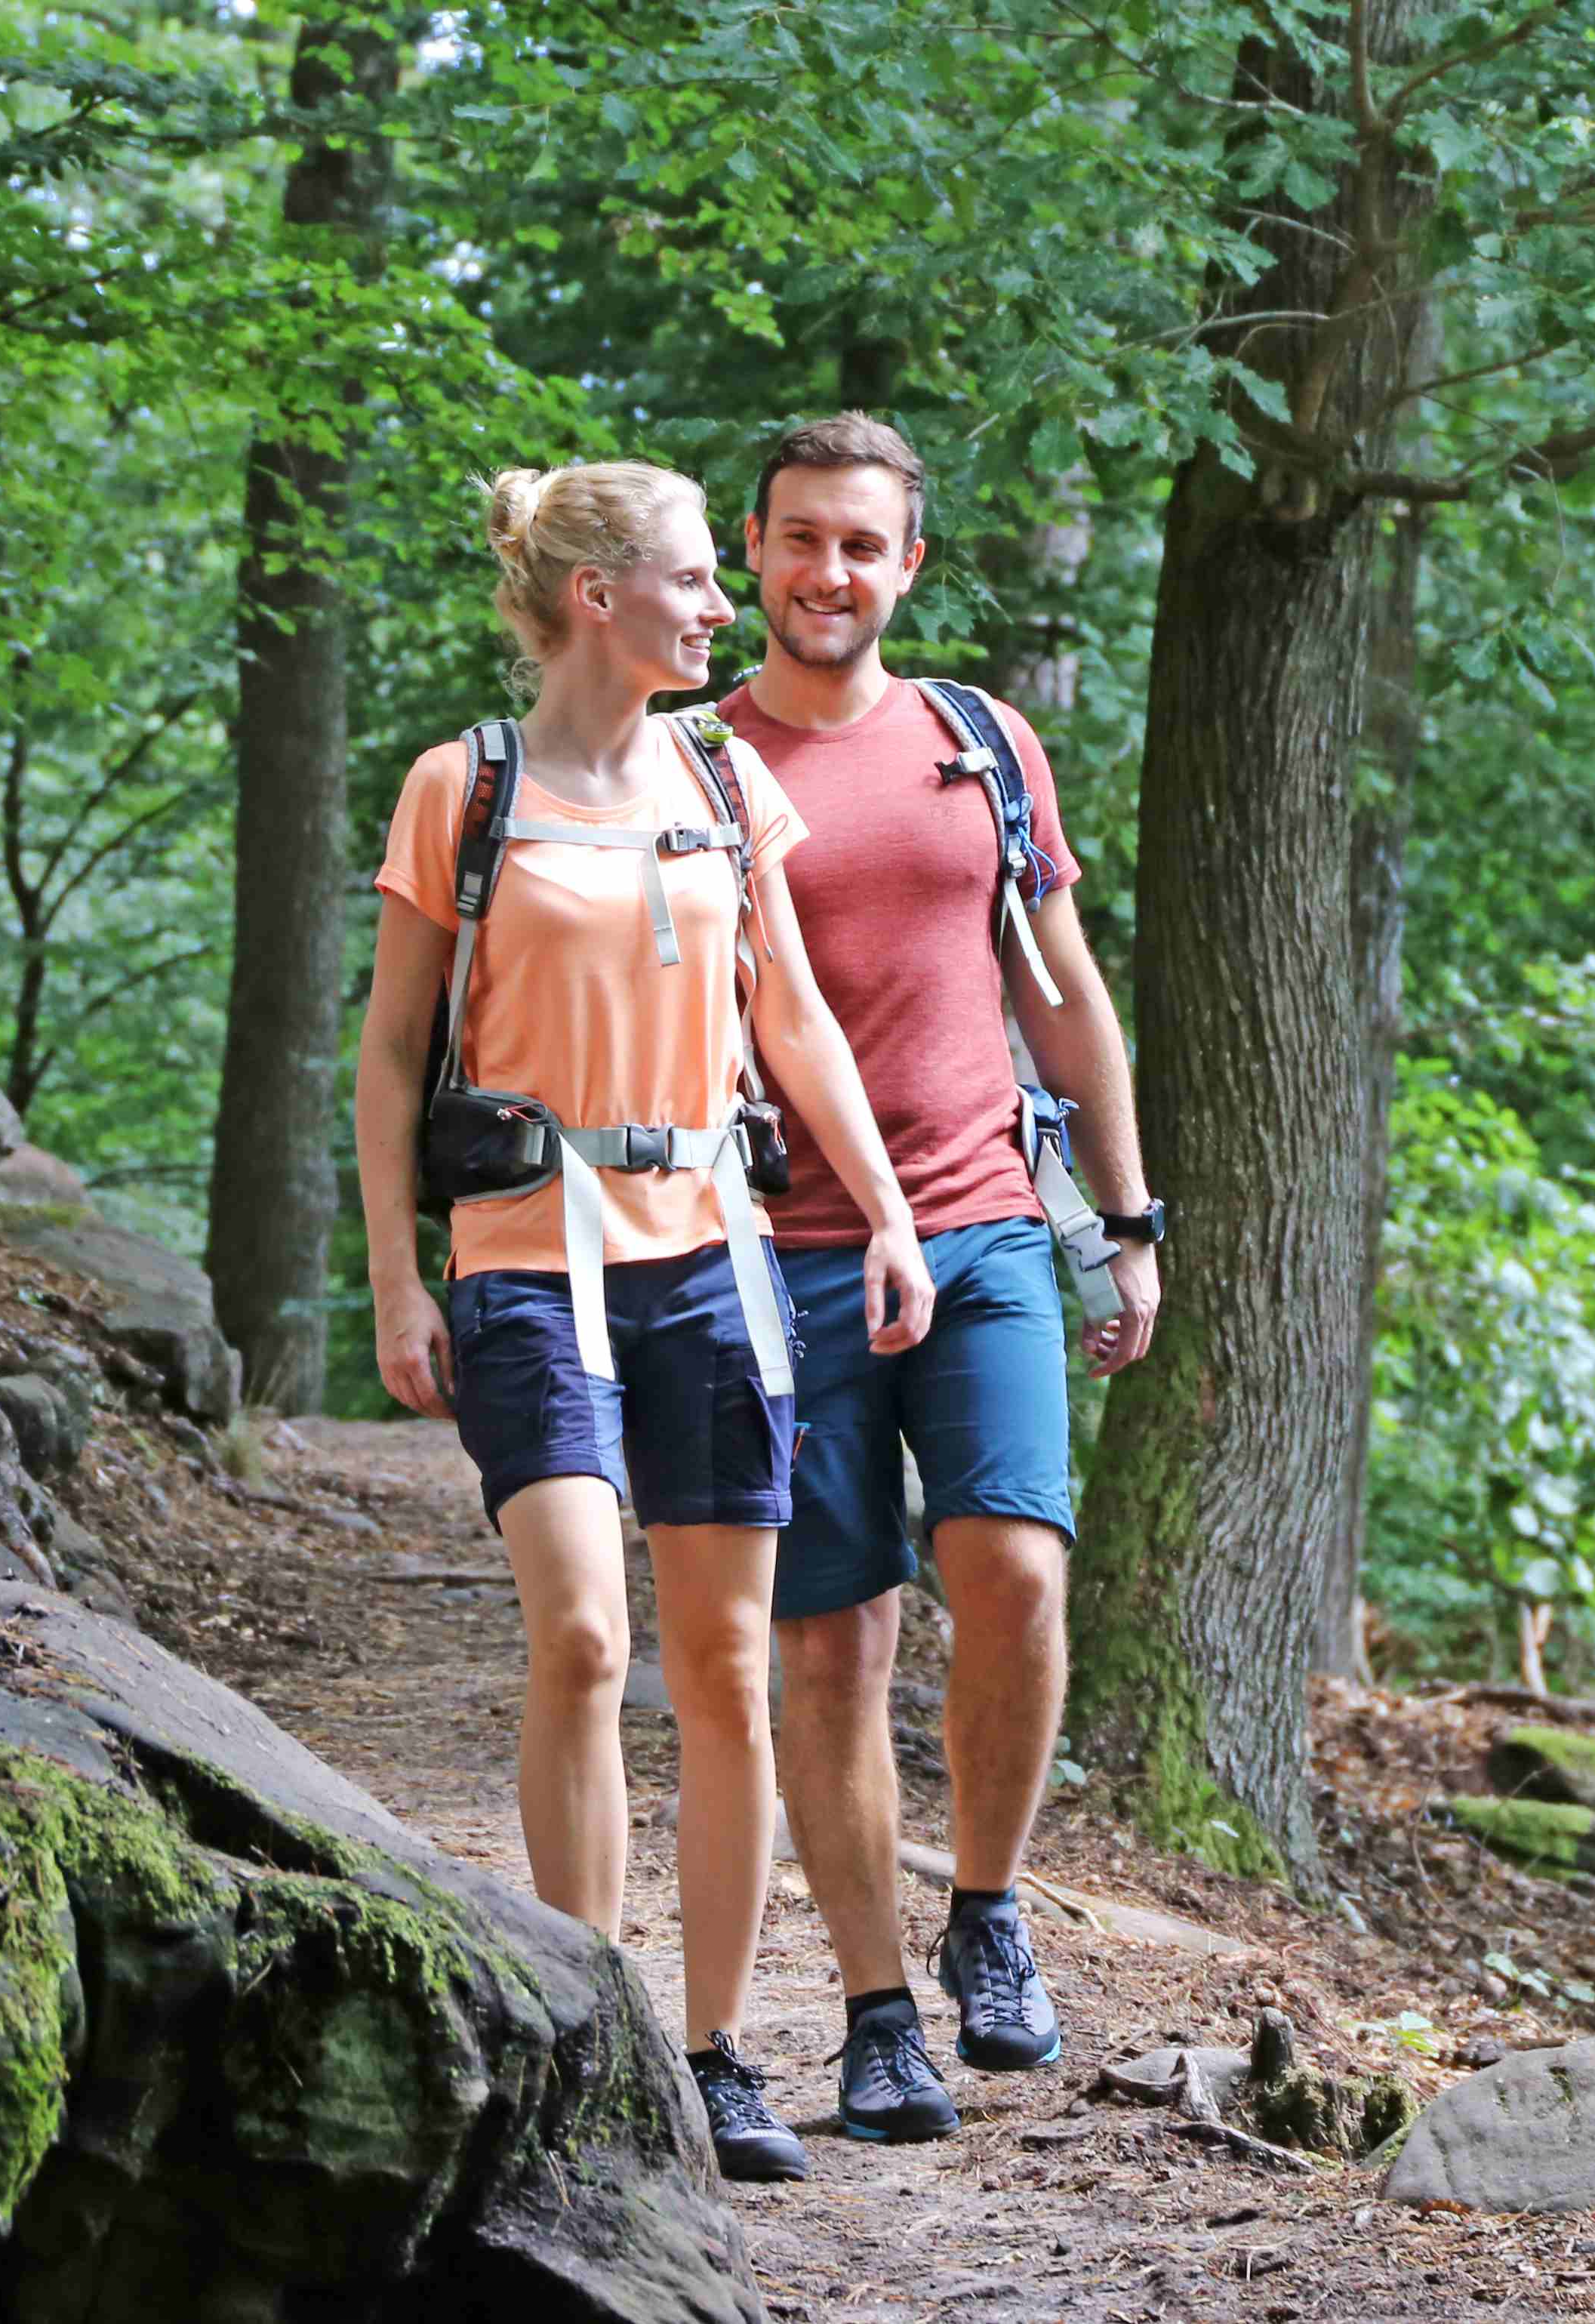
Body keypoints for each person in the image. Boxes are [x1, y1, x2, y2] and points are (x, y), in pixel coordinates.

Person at [350, 458, 936, 2184]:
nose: (721, 606)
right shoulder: (464, 787)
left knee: (729, 1669)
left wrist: (888, 1212)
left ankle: (714, 2053)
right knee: (589, 1642)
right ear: (597, 596)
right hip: (528, 1256)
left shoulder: (726, 780)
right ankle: (589, 2035)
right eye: (693, 578)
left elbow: (797, 1020)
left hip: (710, 1261)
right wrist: (396, 1275)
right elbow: (390, 1054)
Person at [716, 415, 1165, 2143]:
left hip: (983, 1227)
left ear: (909, 565)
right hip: (780, 1258)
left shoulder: (980, 742)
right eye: (801, 538)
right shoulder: (692, 764)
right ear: (753, 550)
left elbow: (1066, 989)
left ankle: (987, 1907)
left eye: (862, 544)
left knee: (1019, 1574)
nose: (829, 572)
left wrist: (1124, 1220)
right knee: (830, 1643)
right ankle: (875, 2013)